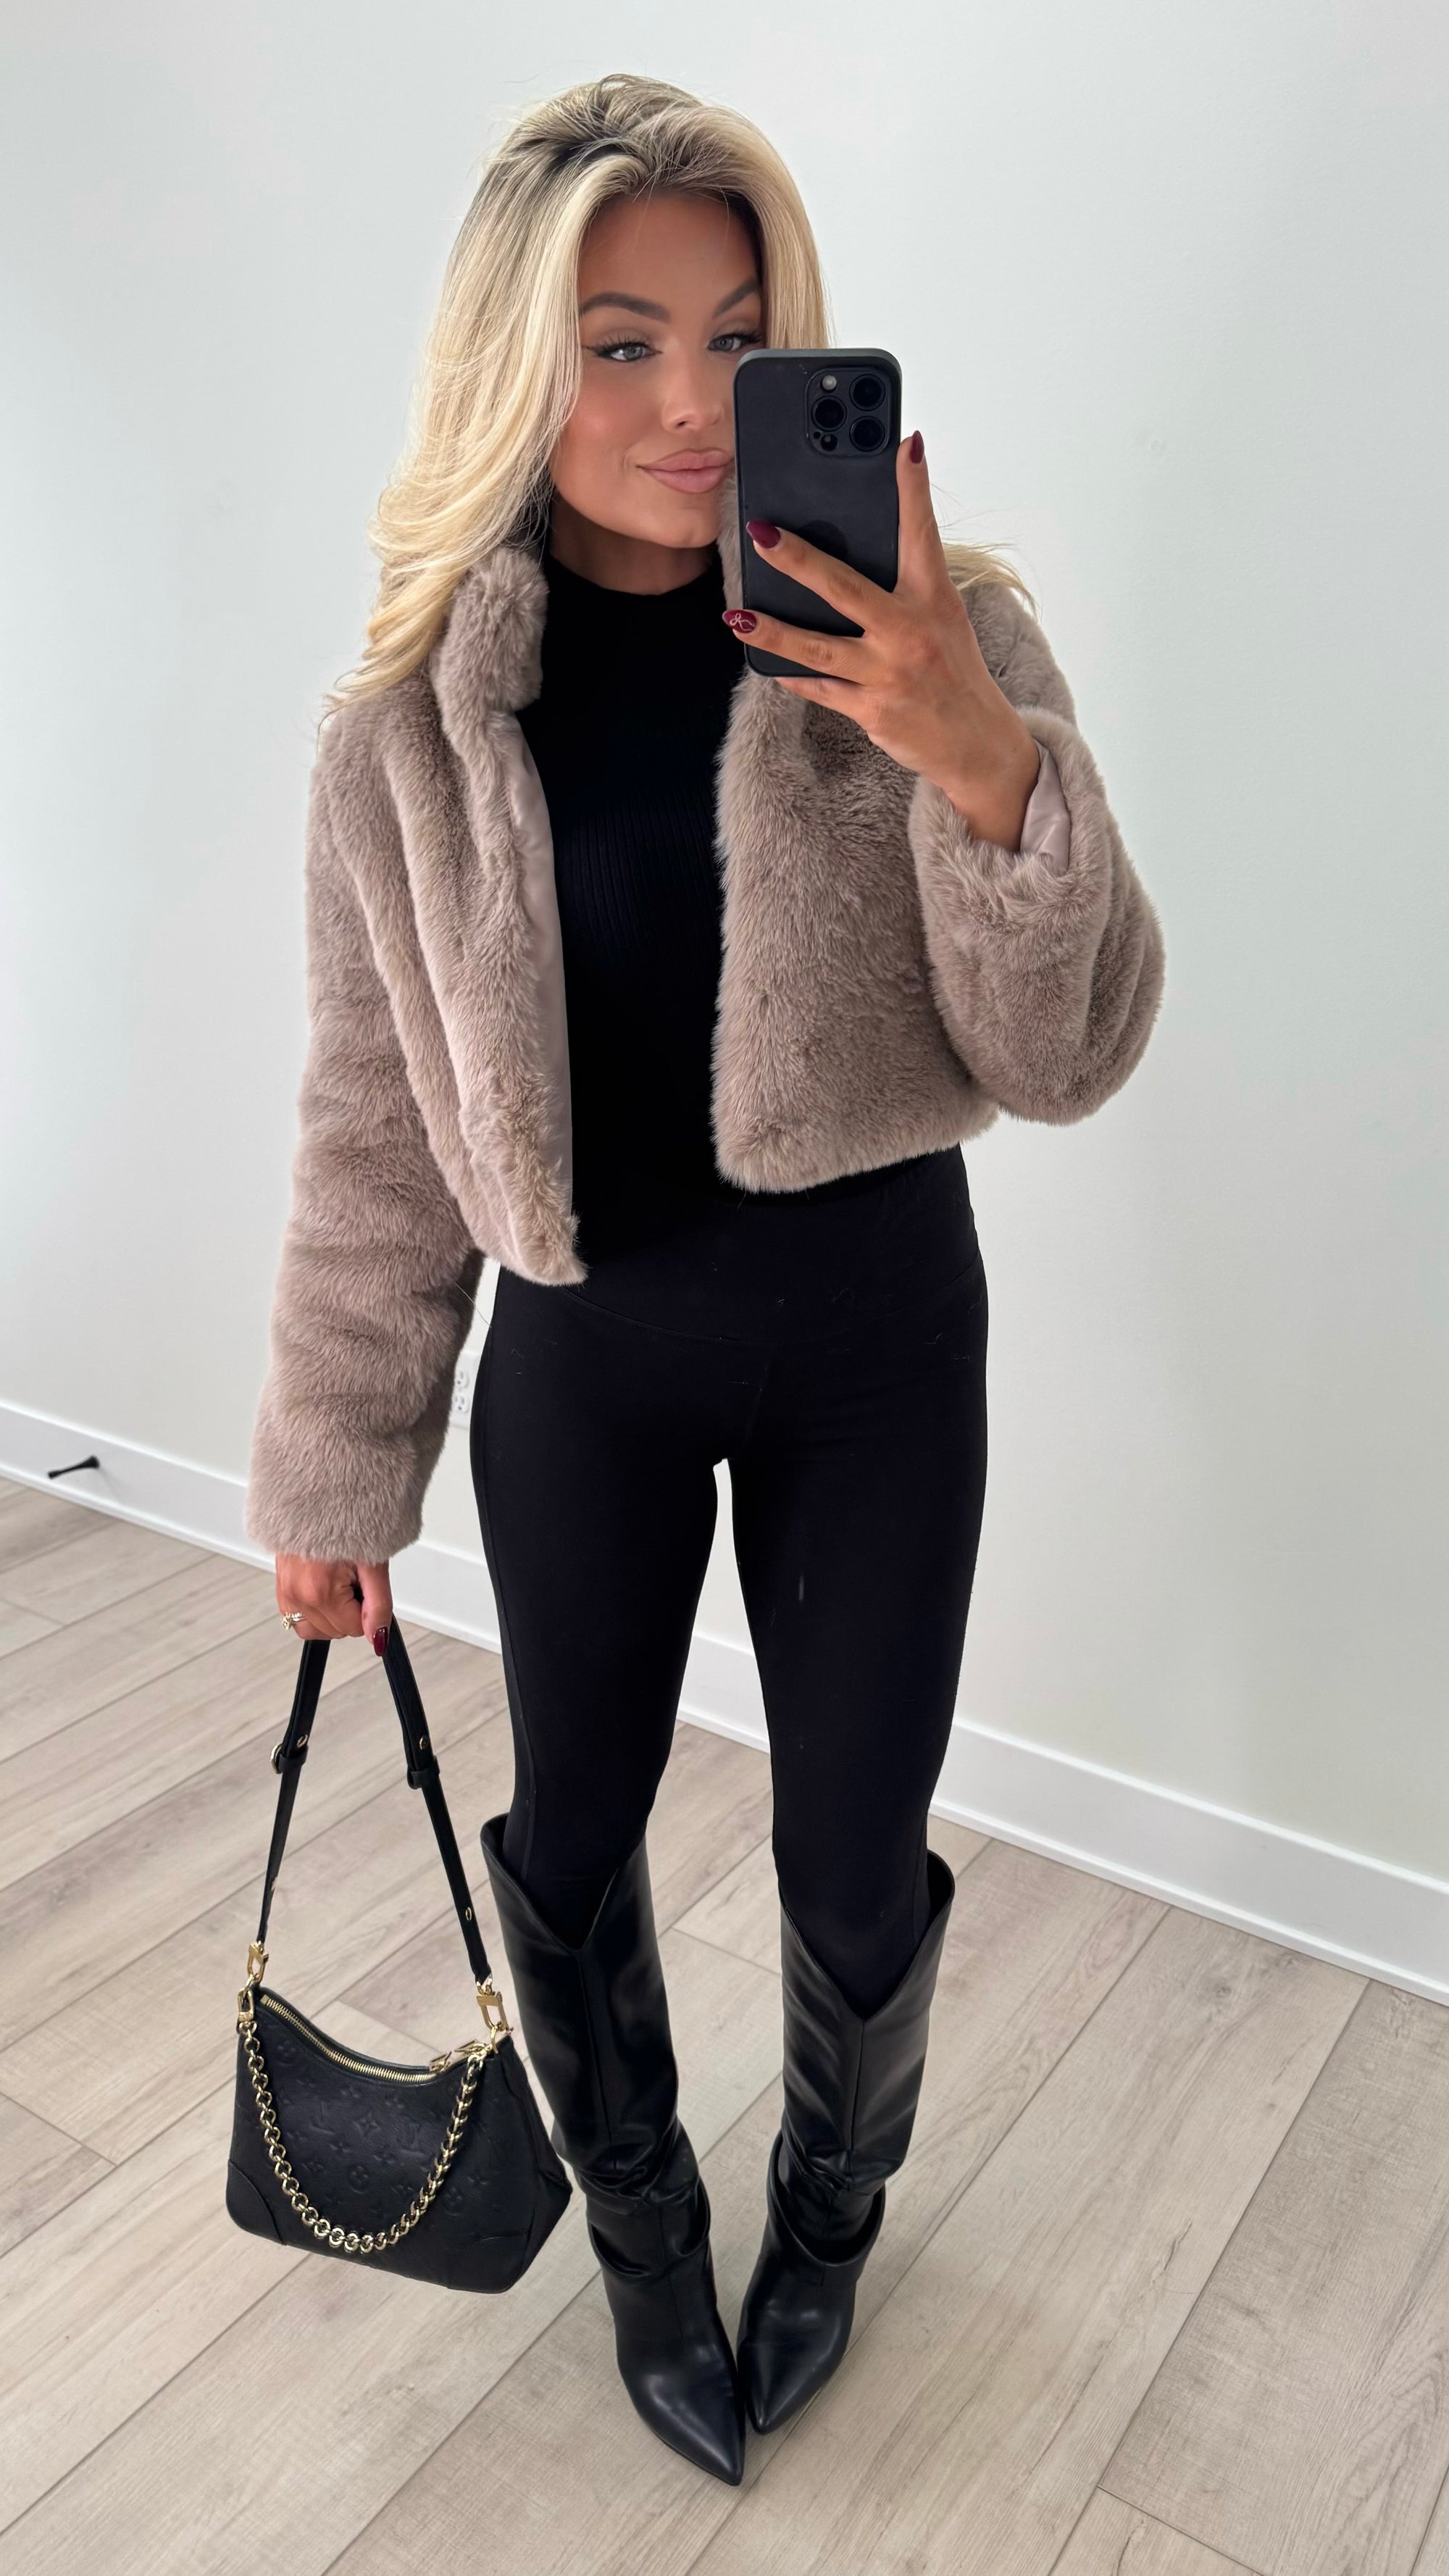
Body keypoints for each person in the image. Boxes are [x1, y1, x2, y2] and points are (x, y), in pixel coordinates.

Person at [246, 72, 1165, 2486]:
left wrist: (982, 761)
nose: (684, 403)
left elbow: (1068, 1054)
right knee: (571, 1834)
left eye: (738, 341)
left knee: (854, 1862)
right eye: (622, 343)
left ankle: (827, 2215)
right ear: (514, 366)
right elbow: (375, 1129)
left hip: (880, 1346)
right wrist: (336, 1466)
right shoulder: (409, 733)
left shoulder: (940, 635)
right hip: (590, 1364)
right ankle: (646, 2227)